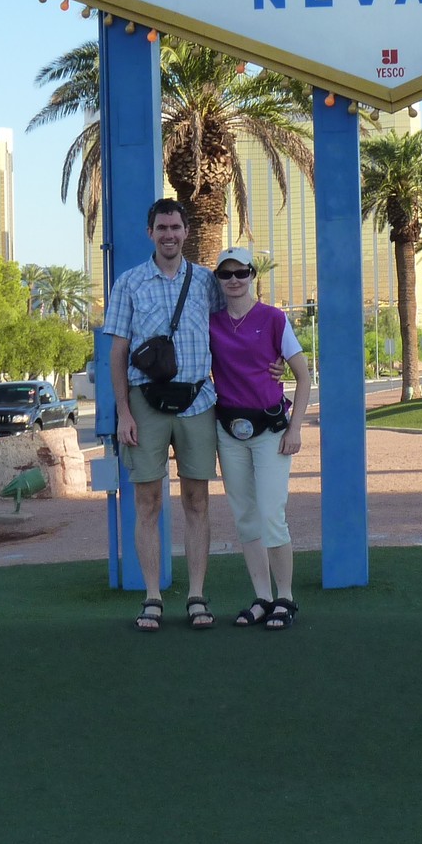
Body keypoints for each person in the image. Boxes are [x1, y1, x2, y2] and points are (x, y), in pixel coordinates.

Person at [104, 199, 219, 632]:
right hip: (145, 404)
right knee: (147, 502)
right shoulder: (129, 283)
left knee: (197, 500)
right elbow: (117, 352)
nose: (169, 235)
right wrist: (123, 413)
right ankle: (152, 596)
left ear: (186, 231)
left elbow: (231, 332)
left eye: (175, 227)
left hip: (198, 402)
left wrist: (271, 361)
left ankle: (196, 596)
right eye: (162, 228)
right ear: (149, 232)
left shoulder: (206, 282)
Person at [208, 247, 314, 631]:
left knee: (271, 514)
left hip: (270, 431)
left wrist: (295, 428)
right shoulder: (211, 323)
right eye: (226, 274)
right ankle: (263, 598)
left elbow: (303, 375)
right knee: (245, 517)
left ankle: (285, 597)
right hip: (229, 431)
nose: (234, 280)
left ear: (253, 275)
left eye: (241, 272)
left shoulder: (273, 319)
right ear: (218, 280)